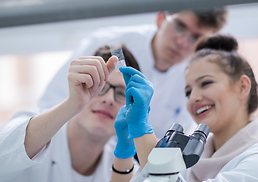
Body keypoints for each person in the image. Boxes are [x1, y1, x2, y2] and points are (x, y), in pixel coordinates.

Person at [100, 35, 258, 182]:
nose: (194, 98)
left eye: (206, 83)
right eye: (188, 92)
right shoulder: (189, 163)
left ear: (243, 86)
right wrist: (124, 152)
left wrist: (141, 128)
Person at [0, 45, 141, 182]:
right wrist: (72, 104)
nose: (109, 99)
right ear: (84, 83)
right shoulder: (32, 125)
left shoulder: (123, 166)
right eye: (101, 86)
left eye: (121, 93)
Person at [38, 9, 228, 138]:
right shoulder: (110, 46)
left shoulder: (192, 77)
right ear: (160, 18)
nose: (182, 42)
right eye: (179, 26)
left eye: (196, 37)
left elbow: (173, 139)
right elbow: (51, 104)